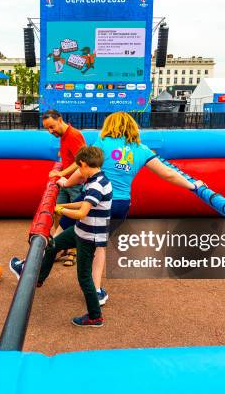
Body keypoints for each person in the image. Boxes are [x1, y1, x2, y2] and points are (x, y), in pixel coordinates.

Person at [57, 112, 202, 305]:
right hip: (120, 204)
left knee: (59, 232)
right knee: (99, 246)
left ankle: (31, 266)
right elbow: (168, 174)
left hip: (95, 198)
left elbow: (81, 171)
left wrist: (66, 183)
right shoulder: (141, 149)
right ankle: (96, 290)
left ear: (109, 125)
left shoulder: (102, 143)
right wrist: (194, 186)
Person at [10, 146, 111, 327]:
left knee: (84, 278)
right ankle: (39, 279)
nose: (78, 172)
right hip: (82, 230)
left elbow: (82, 213)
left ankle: (95, 317)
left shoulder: (96, 185)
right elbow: (83, 203)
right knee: (53, 244)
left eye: (79, 168)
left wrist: (62, 209)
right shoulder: (96, 178)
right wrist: (62, 208)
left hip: (89, 235)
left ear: (84, 164)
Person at [42, 110, 86, 266]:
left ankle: (73, 251)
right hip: (65, 183)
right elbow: (69, 157)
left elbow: (81, 160)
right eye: (47, 128)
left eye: (52, 127)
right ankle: (61, 246)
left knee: (75, 217)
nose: (50, 131)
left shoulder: (74, 135)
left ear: (60, 120)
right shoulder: (63, 136)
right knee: (57, 212)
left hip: (76, 184)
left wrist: (60, 172)